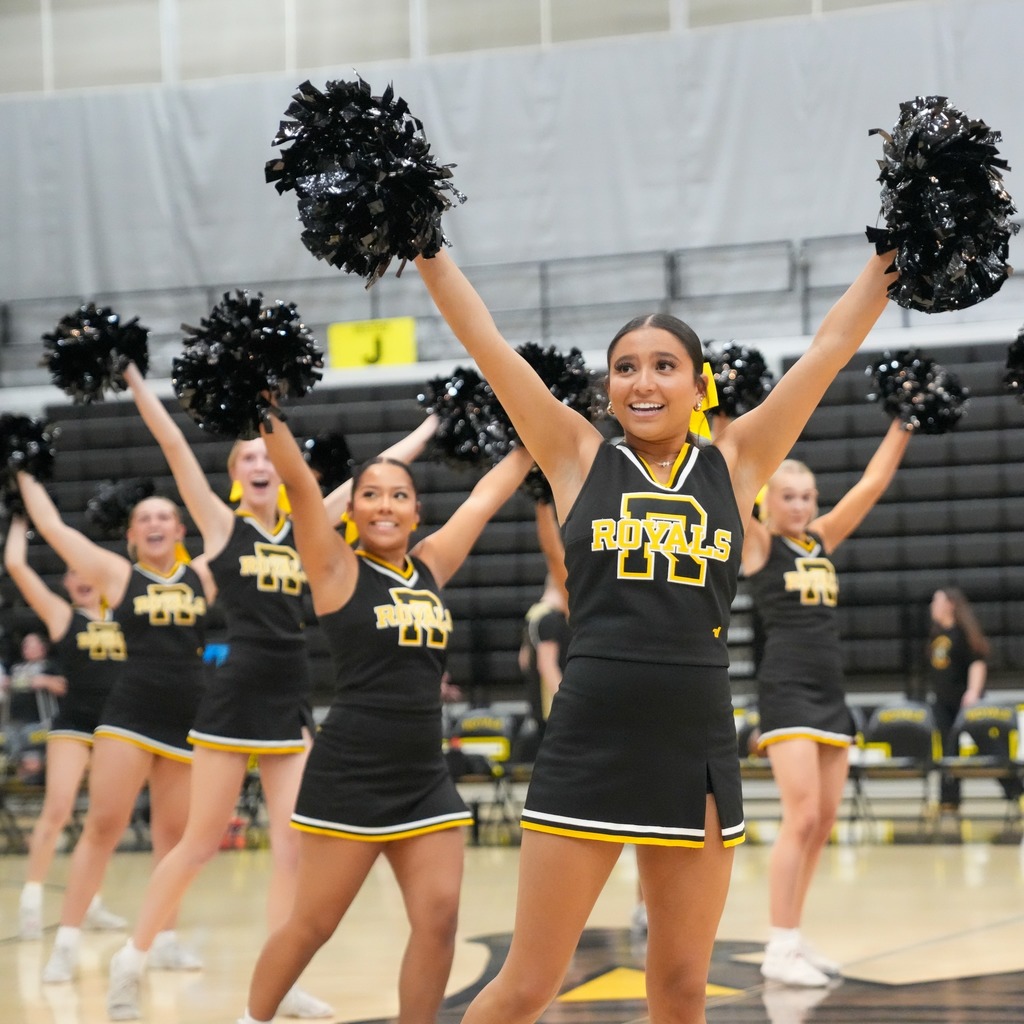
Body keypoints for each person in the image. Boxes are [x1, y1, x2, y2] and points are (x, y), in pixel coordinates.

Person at [413, 243, 897, 1024]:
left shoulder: (737, 463)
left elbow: (829, 349)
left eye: (665, 365)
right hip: (589, 736)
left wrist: (889, 261)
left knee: (679, 991)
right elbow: (487, 344)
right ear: (608, 389)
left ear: (698, 385)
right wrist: (425, 247)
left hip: (695, 742)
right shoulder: (574, 454)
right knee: (528, 986)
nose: (643, 381)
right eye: (627, 367)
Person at [106, 364, 440, 1021]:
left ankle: (279, 981)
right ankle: (131, 959)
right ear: (236, 473)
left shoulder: (307, 523)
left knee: (294, 846)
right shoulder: (223, 526)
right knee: (200, 842)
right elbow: (175, 444)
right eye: (249, 456)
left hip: (292, 696)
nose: (261, 462)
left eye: (268, 452)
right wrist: (133, 378)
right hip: (234, 696)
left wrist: (432, 425)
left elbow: (380, 468)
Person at [236, 403, 533, 1024]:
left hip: (424, 777)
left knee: (440, 919)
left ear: (415, 510)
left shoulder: (430, 567)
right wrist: (263, 404)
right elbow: (297, 483)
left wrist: (536, 434)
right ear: (353, 509)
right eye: (370, 494)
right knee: (313, 923)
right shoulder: (335, 568)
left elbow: (483, 500)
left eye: (398, 495)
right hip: (350, 774)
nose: (384, 505)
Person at [16, 471, 209, 986]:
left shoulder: (204, 576)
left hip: (187, 719)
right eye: (144, 517)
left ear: (180, 529)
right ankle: (67, 943)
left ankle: (165, 939)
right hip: (129, 714)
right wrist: (23, 468)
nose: (154, 523)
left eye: (164, 516)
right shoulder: (119, 575)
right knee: (104, 826)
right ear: (130, 535)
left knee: (173, 837)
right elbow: (54, 528)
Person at [742, 417, 913, 987]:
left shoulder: (821, 539)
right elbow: (733, 483)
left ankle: (792, 935)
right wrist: (719, 422)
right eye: (788, 496)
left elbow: (871, 484)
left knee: (824, 823)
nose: (800, 504)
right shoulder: (760, 543)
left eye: (808, 496)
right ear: (770, 502)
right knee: (803, 816)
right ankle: (777, 944)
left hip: (830, 689)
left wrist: (903, 423)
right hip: (786, 688)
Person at [3, 515, 128, 940]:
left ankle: (90, 903)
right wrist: (20, 518)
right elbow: (18, 567)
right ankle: (32, 902)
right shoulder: (62, 617)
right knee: (57, 809)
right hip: (74, 724)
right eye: (72, 572)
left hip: (118, 726)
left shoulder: (128, 612)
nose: (80, 577)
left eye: (86, 568)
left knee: (103, 821)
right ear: (68, 585)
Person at [925, 587, 1021, 811]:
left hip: (967, 703)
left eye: (936, 601)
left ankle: (1017, 791)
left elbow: (977, 662)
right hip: (943, 703)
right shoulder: (937, 635)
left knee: (989, 748)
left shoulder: (962, 633)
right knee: (949, 752)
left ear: (950, 604)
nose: (932, 606)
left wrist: (973, 692)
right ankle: (949, 800)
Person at [517, 501, 569, 737]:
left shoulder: (534, 614)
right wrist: (567, 703)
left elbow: (524, 660)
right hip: (554, 711)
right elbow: (546, 665)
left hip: (537, 707)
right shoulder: (551, 619)